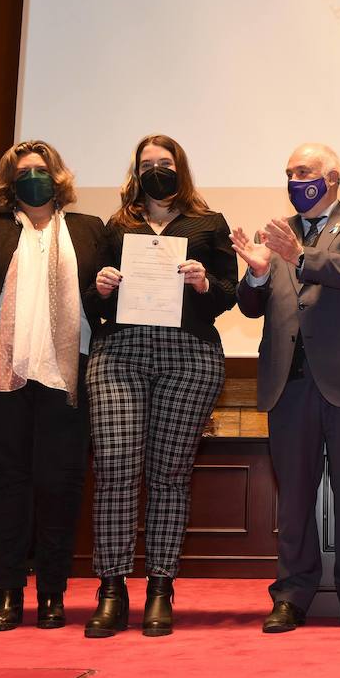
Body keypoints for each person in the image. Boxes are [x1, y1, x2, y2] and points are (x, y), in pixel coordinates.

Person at [0, 140, 108, 631]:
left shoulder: (89, 230)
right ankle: (8, 592)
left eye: (41, 169)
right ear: (8, 182)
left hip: (68, 370)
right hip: (0, 368)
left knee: (60, 482)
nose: (33, 177)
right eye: (23, 171)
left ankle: (52, 593)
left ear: (59, 179)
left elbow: (112, 293)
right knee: (6, 478)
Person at [232, 143, 340, 635]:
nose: (293, 179)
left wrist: (300, 255)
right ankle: (291, 596)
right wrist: (258, 274)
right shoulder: (274, 234)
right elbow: (249, 306)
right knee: (295, 499)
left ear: (332, 177)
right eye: (288, 172)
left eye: (302, 171)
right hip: (291, 383)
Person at [82, 135, 236, 638]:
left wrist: (204, 283)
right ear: (135, 172)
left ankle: (160, 587)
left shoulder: (208, 224)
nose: (156, 172)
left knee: (170, 473)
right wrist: (100, 287)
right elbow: (93, 301)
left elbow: (230, 294)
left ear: (180, 169)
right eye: (147, 165)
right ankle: (111, 588)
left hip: (188, 355)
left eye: (164, 164)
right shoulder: (117, 225)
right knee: (116, 468)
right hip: (119, 354)